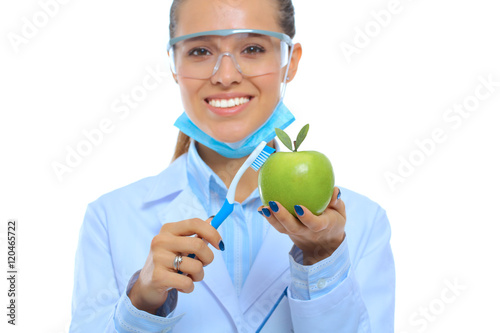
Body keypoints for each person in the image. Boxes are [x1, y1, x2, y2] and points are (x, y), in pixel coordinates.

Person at [70, 0, 395, 332]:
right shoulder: (109, 219)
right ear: (173, 64)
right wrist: (141, 303)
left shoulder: (363, 223)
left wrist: (322, 261)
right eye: (200, 52)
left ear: (290, 62)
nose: (225, 77)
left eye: (252, 48)